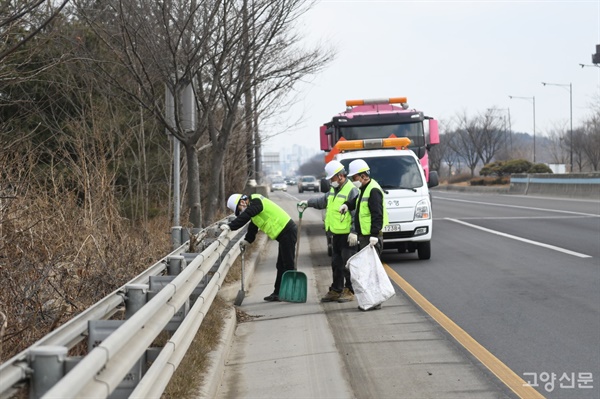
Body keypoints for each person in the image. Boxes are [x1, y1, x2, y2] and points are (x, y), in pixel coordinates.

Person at [298, 160, 359, 303]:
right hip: (335, 233)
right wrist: (307, 203)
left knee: (348, 264)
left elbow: (357, 212)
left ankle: (349, 290)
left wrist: (354, 231)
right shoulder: (334, 190)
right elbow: (322, 201)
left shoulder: (351, 190)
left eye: (332, 178)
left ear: (340, 176)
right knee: (336, 263)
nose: (331, 181)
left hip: (347, 235)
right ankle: (336, 290)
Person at [221, 193, 297, 302]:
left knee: (288, 263)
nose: (242, 212)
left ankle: (292, 292)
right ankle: (278, 293)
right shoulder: (254, 208)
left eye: (240, 209)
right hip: (284, 234)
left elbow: (247, 214)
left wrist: (230, 226)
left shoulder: (256, 201)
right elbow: (253, 225)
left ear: (242, 202)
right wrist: (248, 240)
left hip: (288, 231)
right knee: (281, 265)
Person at [340, 159, 388, 256]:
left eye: (354, 177)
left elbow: (377, 214)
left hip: (371, 237)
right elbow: (357, 201)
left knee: (371, 268)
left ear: (363, 176)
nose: (353, 181)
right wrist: (347, 205)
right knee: (367, 268)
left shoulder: (373, 190)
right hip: (365, 236)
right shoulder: (363, 188)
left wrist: (374, 235)